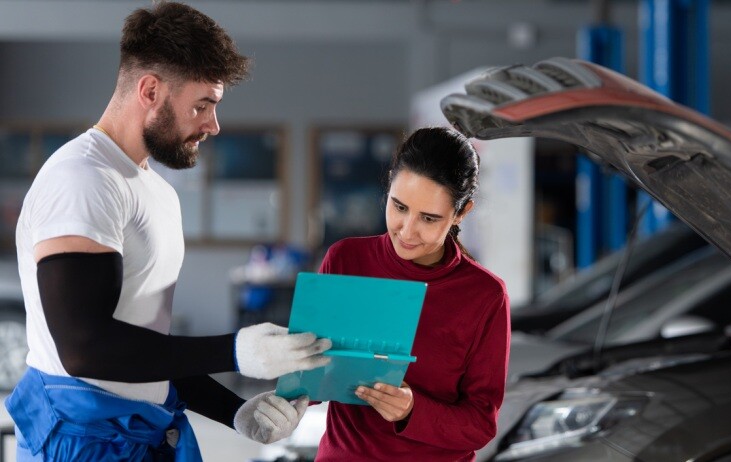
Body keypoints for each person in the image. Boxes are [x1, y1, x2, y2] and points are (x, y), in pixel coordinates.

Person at [4, 2, 331, 460]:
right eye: (202, 105)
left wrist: (234, 411)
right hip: (80, 442)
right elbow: (84, 347)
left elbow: (143, 346)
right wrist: (236, 352)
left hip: (141, 434)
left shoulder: (153, 189)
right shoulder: (83, 179)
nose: (213, 125)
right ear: (150, 90)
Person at [315, 127, 511, 461]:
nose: (407, 231)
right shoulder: (346, 259)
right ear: (390, 183)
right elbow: (311, 377)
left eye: (429, 218)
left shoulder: (485, 296)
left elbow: (480, 424)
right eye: (399, 206)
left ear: (461, 213)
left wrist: (412, 409)